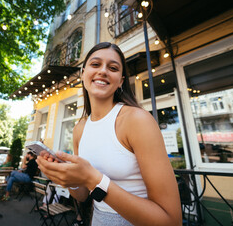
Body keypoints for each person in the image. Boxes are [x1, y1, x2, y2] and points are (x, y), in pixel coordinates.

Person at [36, 42, 182, 225]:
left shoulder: (137, 120)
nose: (103, 71)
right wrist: (66, 177)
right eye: (95, 64)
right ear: (83, 74)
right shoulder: (79, 129)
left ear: (121, 80)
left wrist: (93, 178)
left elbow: (171, 221)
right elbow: (81, 195)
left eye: (112, 68)